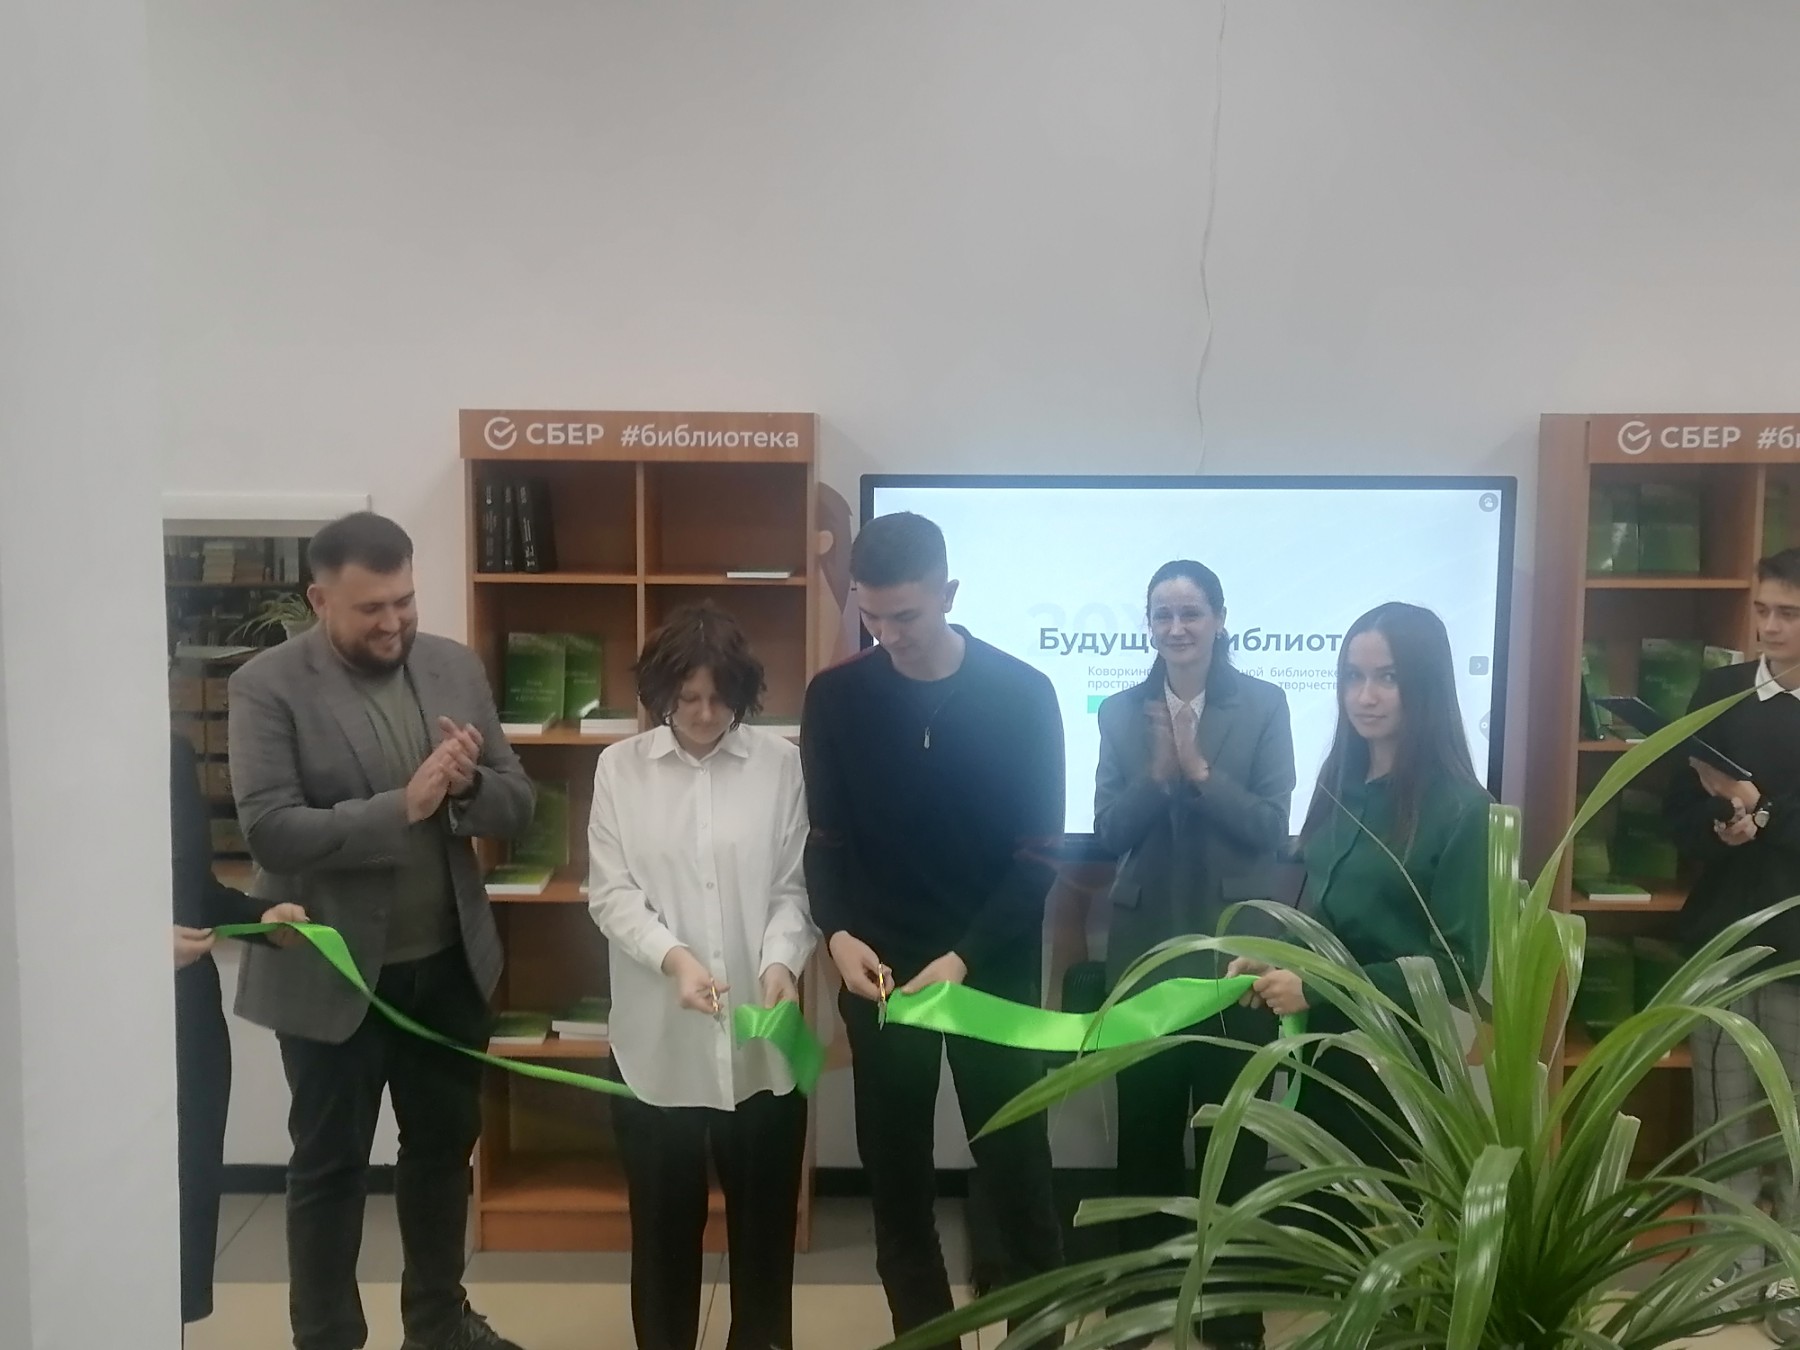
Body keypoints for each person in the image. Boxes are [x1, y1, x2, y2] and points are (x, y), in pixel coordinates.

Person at [227, 511, 534, 1350]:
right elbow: (271, 831)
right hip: (331, 976)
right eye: (371, 609)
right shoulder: (266, 686)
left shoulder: (453, 666)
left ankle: (438, 1324)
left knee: (441, 1154)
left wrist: (468, 787)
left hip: (448, 967)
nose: (394, 623)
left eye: (404, 601)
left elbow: (517, 798)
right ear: (319, 599)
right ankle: (328, 1338)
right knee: (329, 1169)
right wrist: (404, 805)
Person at [802, 510, 1066, 1346]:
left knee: (1018, 1168)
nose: (889, 635)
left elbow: (1038, 858)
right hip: (878, 971)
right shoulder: (836, 697)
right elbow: (825, 842)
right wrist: (837, 935)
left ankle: (1039, 1335)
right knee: (897, 1182)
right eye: (872, 615)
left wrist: (964, 958)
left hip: (990, 967)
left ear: (949, 593)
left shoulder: (1023, 694)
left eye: (906, 616)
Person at [587, 602, 817, 1350]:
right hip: (658, 1047)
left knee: (765, 1241)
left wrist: (781, 962)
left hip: (761, 1047)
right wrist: (676, 959)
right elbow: (612, 895)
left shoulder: (781, 765)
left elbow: (793, 889)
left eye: (721, 698)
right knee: (661, 1240)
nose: (704, 714)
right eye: (686, 698)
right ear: (659, 693)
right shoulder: (621, 770)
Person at [1095, 560, 1295, 1350]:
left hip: (1236, 953)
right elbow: (1110, 831)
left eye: (1190, 613)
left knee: (1233, 1139)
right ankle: (1139, 1301)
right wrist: (1158, 771)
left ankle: (1230, 1310)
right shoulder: (1120, 710)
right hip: (1146, 950)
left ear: (1218, 618)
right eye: (1161, 614)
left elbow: (1272, 828)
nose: (1175, 628)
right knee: (1143, 1135)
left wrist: (1201, 770)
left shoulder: (1265, 704)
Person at [1231, 603, 1489, 1185]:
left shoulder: (1463, 809)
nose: (1364, 696)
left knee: (1377, 1217)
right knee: (1319, 1212)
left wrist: (1317, 986)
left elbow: (1458, 967)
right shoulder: (1337, 782)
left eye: (1387, 677)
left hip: (1392, 1065)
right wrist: (1279, 960)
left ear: (1424, 685)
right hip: (1320, 1049)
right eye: (1353, 676)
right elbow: (1326, 913)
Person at [1664, 547, 1800, 1342]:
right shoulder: (1719, 692)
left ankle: (1790, 1276)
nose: (1770, 627)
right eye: (1763, 610)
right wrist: (1724, 820)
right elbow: (1675, 810)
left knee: (1792, 1122)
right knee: (1722, 1116)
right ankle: (1728, 1265)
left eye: (1789, 614)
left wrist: (1764, 810)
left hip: (1798, 945)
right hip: (1721, 935)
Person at [171, 729, 306, 1331]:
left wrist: (259, 916)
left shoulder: (169, 753)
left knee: (185, 1208)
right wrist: (128, 944)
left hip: (188, 1020)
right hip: (97, 1033)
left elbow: (191, 892)